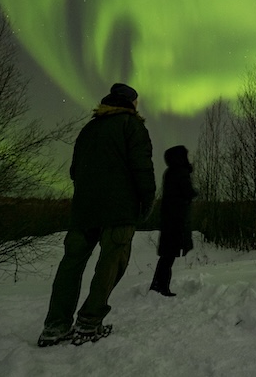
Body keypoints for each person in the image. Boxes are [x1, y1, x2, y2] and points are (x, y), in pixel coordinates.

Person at [37, 82, 156, 347]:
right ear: (130, 103)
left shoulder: (89, 129)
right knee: (112, 263)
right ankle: (89, 322)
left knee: (71, 264)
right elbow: (142, 168)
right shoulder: (132, 126)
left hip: (84, 210)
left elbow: (74, 171)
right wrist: (147, 200)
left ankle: (55, 326)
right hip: (119, 210)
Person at [149, 144, 198, 297]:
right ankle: (161, 287)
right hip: (176, 220)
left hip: (170, 219)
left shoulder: (170, 172)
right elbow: (188, 192)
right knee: (168, 256)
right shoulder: (180, 172)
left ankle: (159, 286)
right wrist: (195, 192)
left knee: (167, 256)